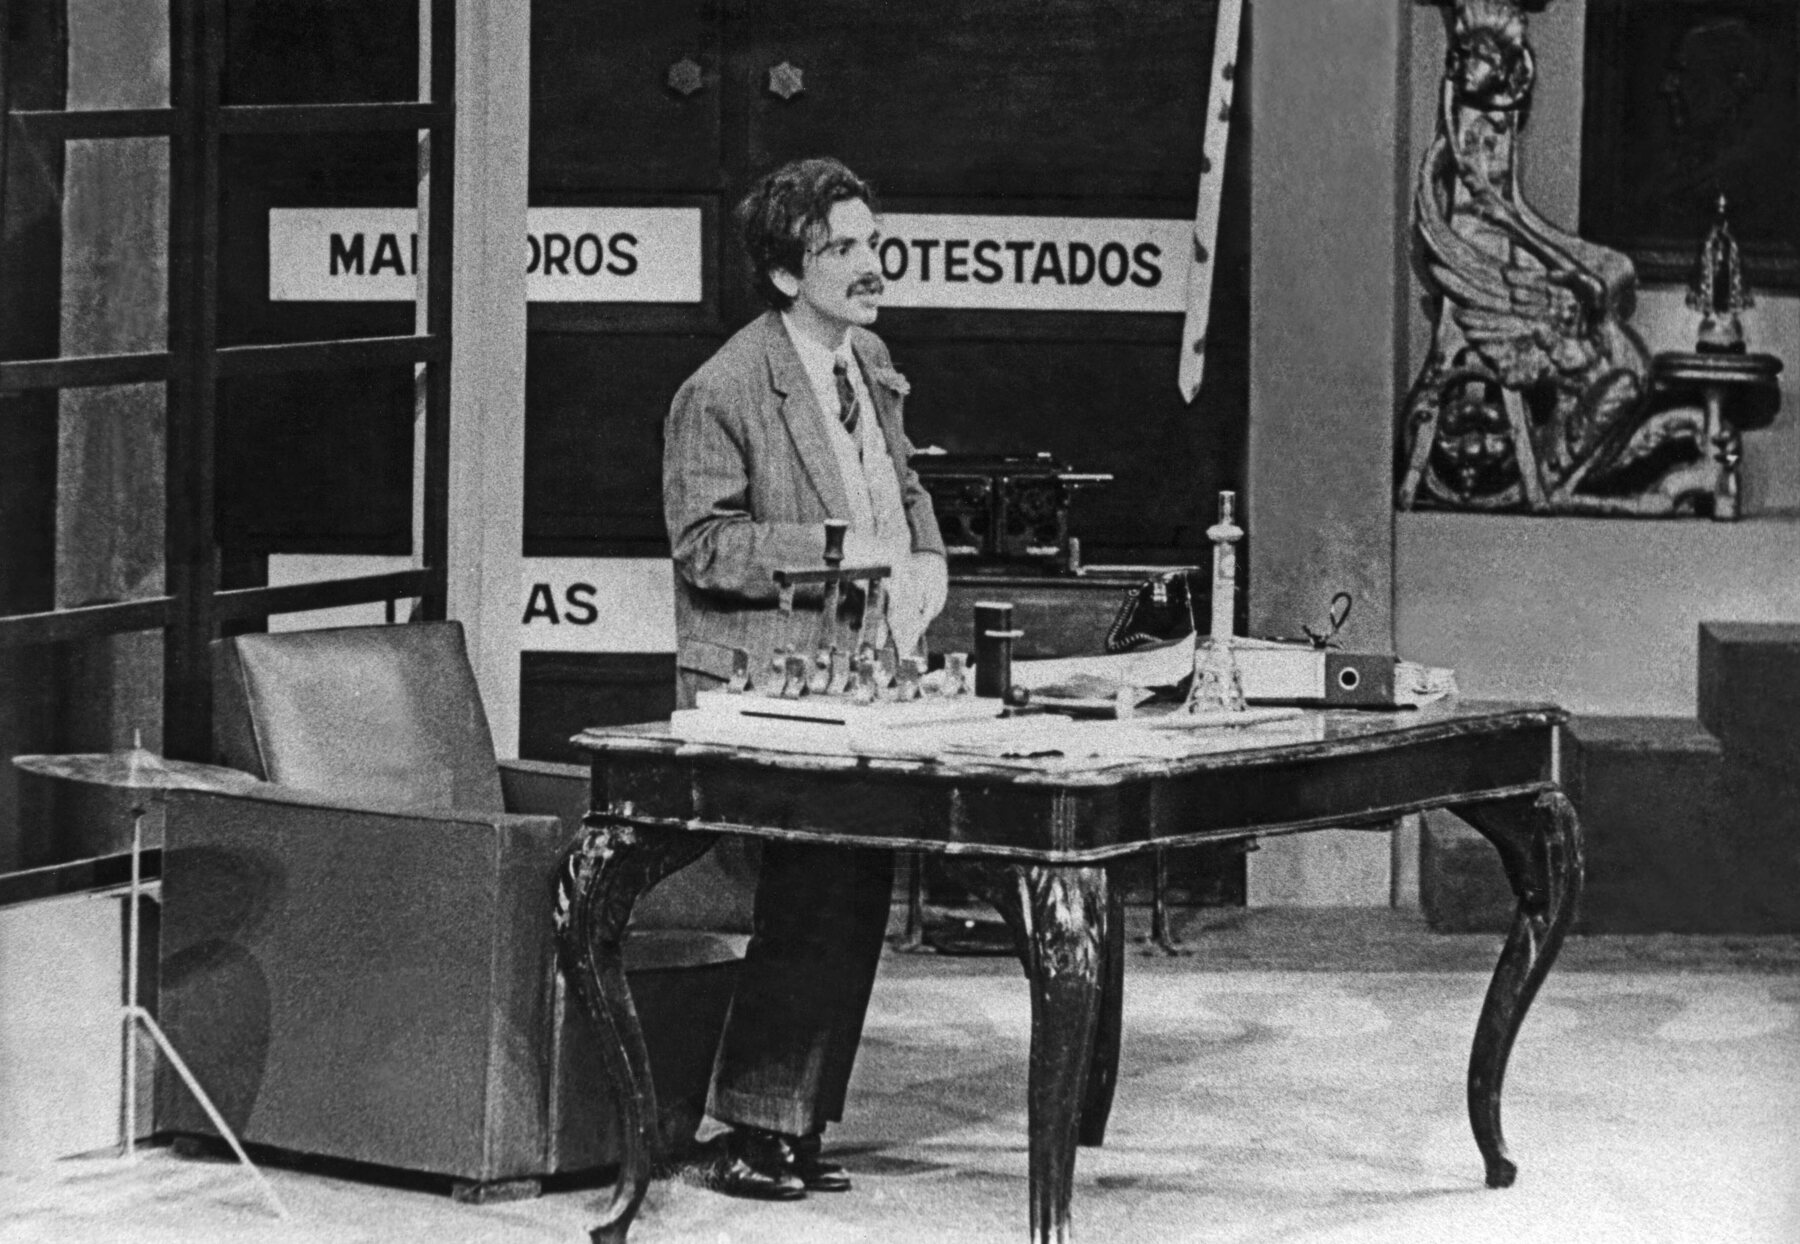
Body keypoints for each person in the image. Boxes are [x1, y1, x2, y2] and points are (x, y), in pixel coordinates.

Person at [662, 156, 948, 1200]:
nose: (871, 266)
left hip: (860, 670)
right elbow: (703, 543)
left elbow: (904, 479)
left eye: (873, 242)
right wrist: (842, 549)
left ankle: (793, 1123)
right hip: (762, 682)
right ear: (787, 274)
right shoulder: (726, 387)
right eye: (843, 249)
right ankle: (752, 1124)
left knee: (854, 883)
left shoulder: (866, 359)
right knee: (810, 887)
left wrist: (925, 555)